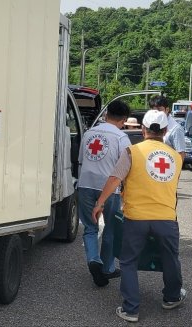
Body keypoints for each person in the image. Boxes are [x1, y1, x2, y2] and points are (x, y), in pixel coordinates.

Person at [92, 110, 186, 323]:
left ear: (143, 129)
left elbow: (115, 179)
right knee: (170, 257)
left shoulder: (132, 152)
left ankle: (131, 309)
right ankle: (172, 297)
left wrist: (100, 203)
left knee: (128, 261)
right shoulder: (176, 157)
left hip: (136, 217)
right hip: (166, 217)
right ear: (164, 130)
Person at [77, 100, 132, 287]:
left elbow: (81, 160)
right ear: (124, 120)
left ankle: (94, 259)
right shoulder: (121, 138)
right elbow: (125, 168)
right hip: (110, 189)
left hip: (85, 185)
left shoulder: (89, 134)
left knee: (90, 227)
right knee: (110, 228)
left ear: (106, 114)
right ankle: (107, 268)